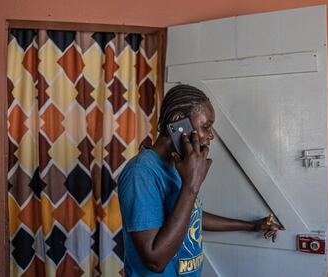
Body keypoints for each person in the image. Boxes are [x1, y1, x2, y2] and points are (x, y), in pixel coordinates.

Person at [118, 84, 283, 277]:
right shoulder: (141, 173)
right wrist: (191, 184)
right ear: (178, 122)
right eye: (206, 126)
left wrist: (250, 225)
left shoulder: (178, 164)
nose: (211, 135)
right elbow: (155, 261)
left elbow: (190, 215)